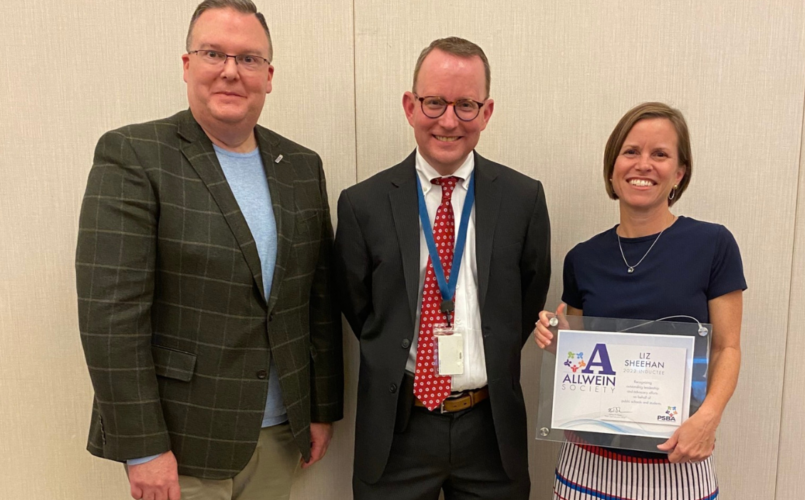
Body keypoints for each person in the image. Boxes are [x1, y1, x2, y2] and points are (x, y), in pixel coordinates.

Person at [75, 1, 343, 499]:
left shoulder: (302, 167)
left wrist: (320, 410)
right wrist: (143, 447)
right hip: (182, 447)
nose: (230, 71)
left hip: (281, 436)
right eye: (213, 53)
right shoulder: (134, 156)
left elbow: (318, 303)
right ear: (186, 65)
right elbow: (110, 319)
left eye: (248, 59)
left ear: (268, 75)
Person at [334, 37, 551, 500]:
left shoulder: (523, 199)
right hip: (398, 429)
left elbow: (526, 301)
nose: (449, 121)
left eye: (466, 105)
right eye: (434, 103)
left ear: (487, 112)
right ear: (410, 106)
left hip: (489, 431)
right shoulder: (363, 205)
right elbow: (359, 308)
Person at [534, 102, 745, 499]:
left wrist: (709, 419)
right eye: (631, 152)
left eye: (660, 154)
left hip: (678, 465)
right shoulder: (583, 257)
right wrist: (559, 341)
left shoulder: (713, 245)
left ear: (680, 172)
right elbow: (581, 352)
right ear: (612, 169)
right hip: (587, 468)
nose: (643, 164)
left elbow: (727, 347)